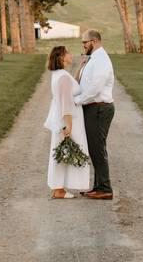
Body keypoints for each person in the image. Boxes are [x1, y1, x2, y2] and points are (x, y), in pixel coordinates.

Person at [44, 45, 91, 199]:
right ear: (61, 57)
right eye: (67, 53)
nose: (70, 54)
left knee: (62, 152)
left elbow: (72, 86)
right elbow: (66, 103)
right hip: (67, 120)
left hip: (63, 119)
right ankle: (58, 190)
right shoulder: (63, 77)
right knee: (62, 153)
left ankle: (58, 188)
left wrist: (79, 69)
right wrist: (69, 125)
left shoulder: (60, 74)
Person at [74, 29, 115, 200]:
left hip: (99, 108)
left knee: (97, 148)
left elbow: (96, 87)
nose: (83, 45)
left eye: (85, 42)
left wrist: (78, 100)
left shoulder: (101, 60)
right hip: (93, 108)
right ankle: (98, 186)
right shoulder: (93, 59)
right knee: (95, 147)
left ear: (95, 41)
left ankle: (105, 188)